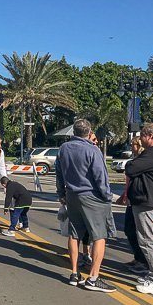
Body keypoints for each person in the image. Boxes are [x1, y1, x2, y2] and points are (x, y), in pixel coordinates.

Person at [56, 119, 116, 293]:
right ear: (89, 132)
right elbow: (100, 176)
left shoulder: (64, 149)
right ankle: (93, 277)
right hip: (91, 196)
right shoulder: (92, 150)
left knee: (74, 234)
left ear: (73, 132)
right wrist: (107, 196)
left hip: (72, 195)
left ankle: (74, 273)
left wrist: (62, 194)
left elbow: (59, 174)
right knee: (99, 236)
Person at [125, 122, 153, 295]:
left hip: (148, 202)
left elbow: (131, 168)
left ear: (149, 136)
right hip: (151, 201)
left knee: (148, 240)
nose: (140, 139)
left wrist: (132, 165)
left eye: (142, 136)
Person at [116, 137, 150, 275]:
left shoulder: (142, 162)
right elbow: (128, 182)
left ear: (139, 145)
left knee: (140, 232)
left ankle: (144, 261)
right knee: (129, 230)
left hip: (141, 199)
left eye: (133, 144)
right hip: (132, 199)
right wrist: (124, 195)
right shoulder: (134, 161)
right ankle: (138, 258)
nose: (131, 147)